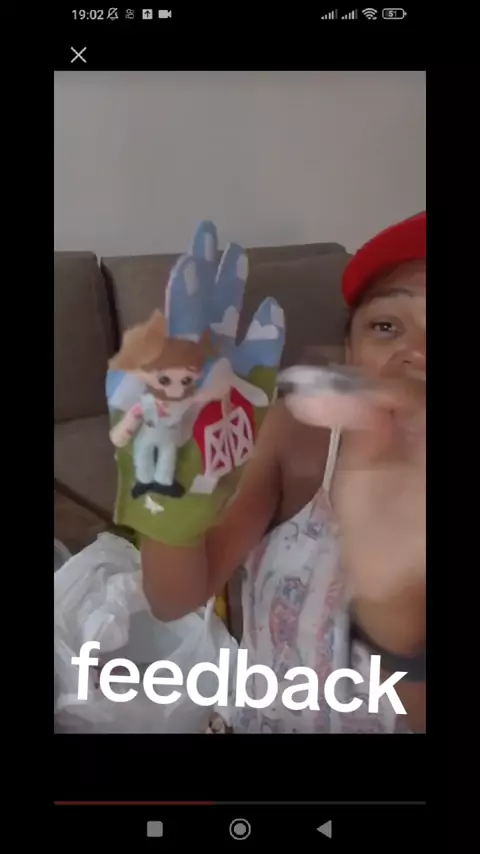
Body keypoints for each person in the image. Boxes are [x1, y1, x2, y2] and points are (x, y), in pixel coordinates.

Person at [140, 212, 426, 734]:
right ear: (351, 352)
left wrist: (394, 612)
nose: (416, 351)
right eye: (386, 325)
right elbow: (173, 598)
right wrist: (172, 489)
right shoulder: (299, 436)